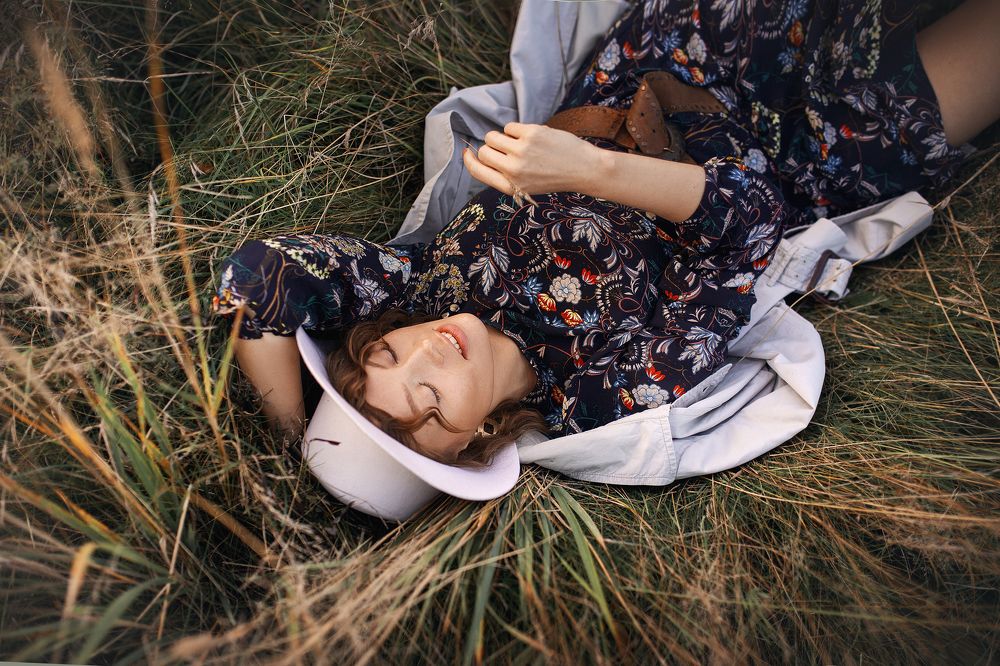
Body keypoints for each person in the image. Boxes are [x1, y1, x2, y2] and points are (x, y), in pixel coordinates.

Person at [211, 0, 1000, 466]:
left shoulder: (425, 285)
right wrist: (593, 173)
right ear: (476, 439)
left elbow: (259, 277)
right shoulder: (599, 394)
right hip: (809, 159)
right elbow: (751, 228)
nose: (424, 353)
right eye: (430, 400)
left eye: (386, 354)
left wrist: (302, 442)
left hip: (685, 60)